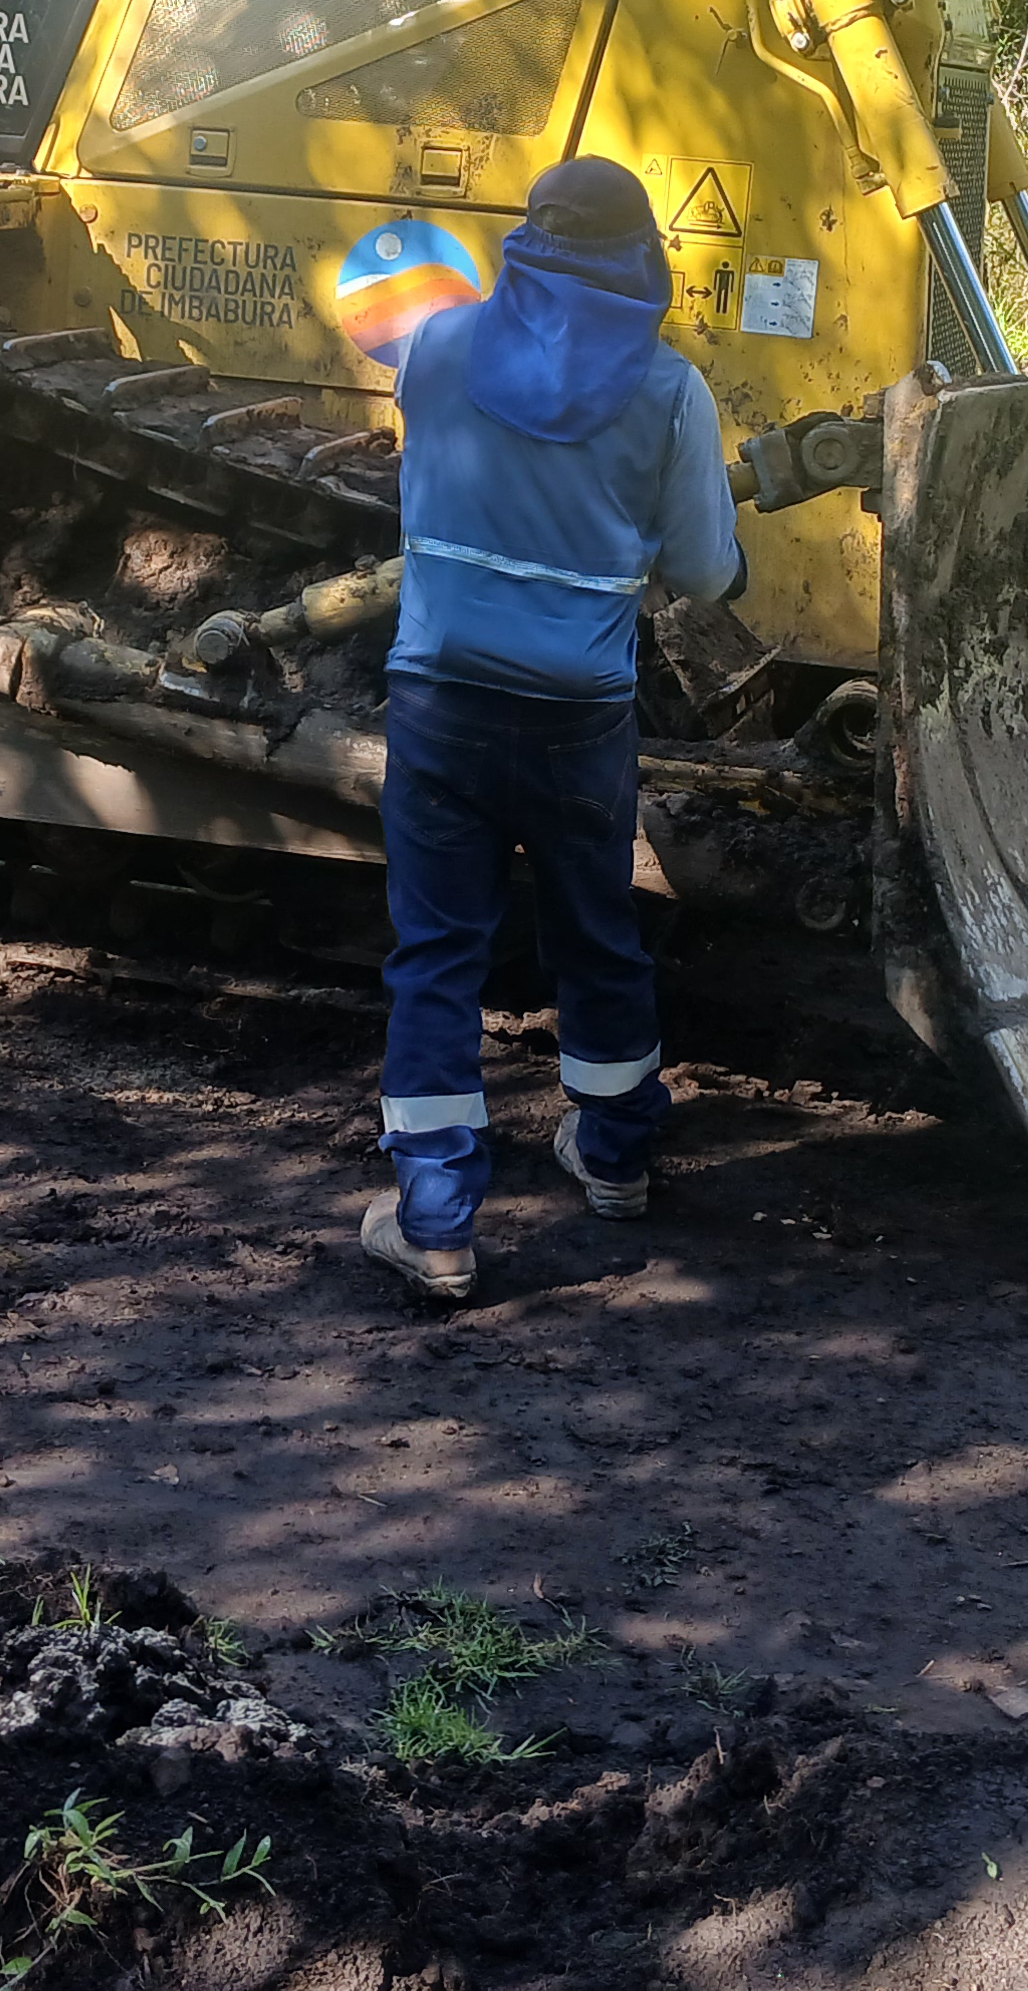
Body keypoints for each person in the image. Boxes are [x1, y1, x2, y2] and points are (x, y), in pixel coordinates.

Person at [362, 155, 746, 1305]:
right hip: (580, 719)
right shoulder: (671, 391)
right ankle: (616, 1158)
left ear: (530, 236)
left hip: (441, 704)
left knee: (438, 954)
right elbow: (703, 571)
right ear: (643, 258)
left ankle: (436, 1224)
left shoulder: (435, 348)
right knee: (596, 934)